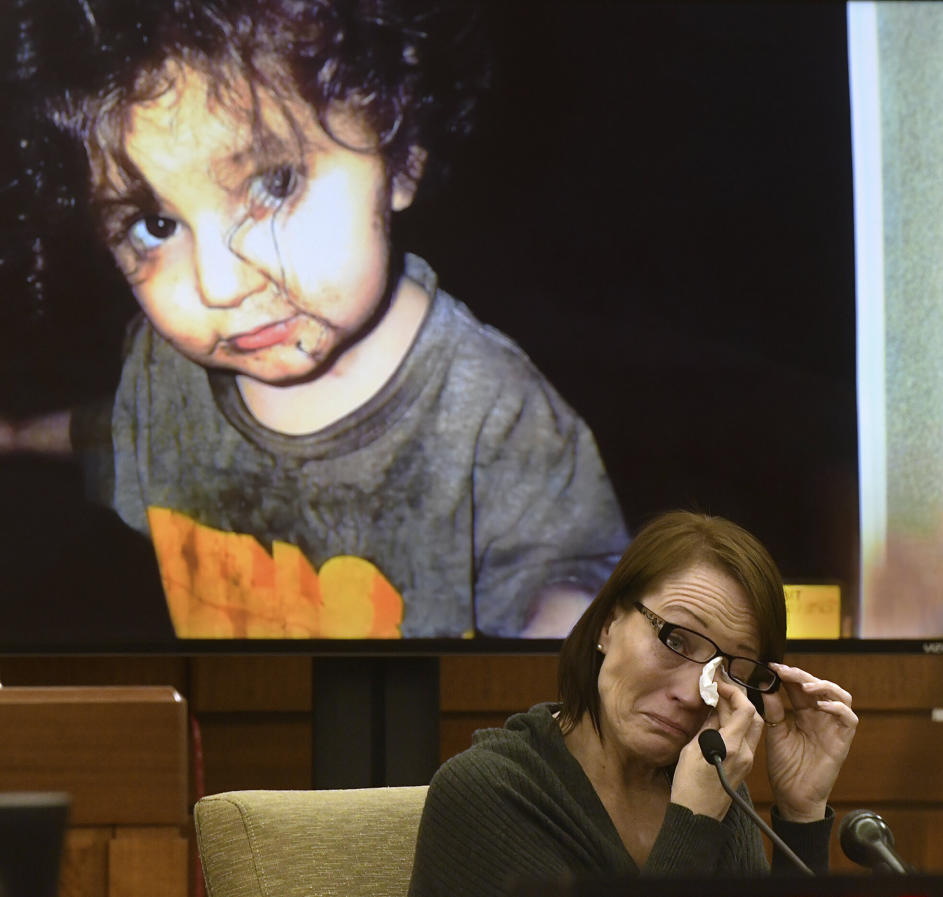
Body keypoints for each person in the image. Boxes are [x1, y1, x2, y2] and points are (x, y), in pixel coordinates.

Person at [1, 0, 628, 640]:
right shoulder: (164, 366)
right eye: (155, 226)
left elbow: (580, 591)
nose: (219, 285)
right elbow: (126, 429)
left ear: (402, 154)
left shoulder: (492, 414)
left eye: (273, 185)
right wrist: (18, 434)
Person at [407, 510, 858, 894]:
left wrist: (801, 815)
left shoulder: (711, 783)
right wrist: (693, 820)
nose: (688, 692)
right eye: (675, 638)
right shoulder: (489, 791)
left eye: (727, 669)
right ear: (607, 623)